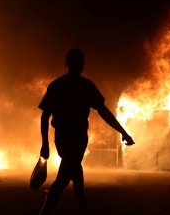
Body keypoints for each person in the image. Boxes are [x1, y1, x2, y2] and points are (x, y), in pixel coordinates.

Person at [38, 48, 135, 214]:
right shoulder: (85, 85)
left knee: (76, 174)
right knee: (65, 177)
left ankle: (83, 210)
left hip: (63, 137)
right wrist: (123, 132)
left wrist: (45, 144)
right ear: (82, 65)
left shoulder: (57, 85)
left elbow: (45, 117)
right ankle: (47, 212)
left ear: (66, 63)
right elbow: (104, 112)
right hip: (77, 137)